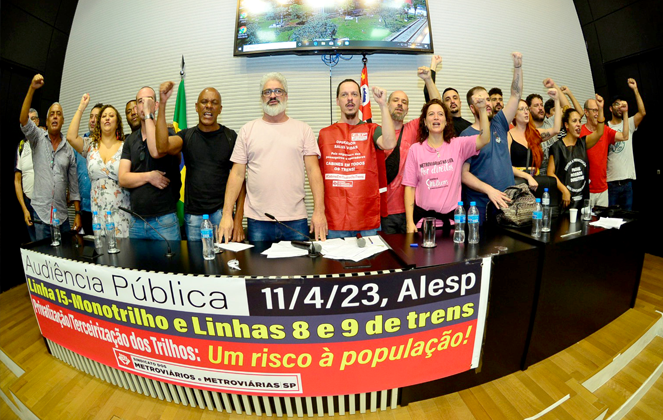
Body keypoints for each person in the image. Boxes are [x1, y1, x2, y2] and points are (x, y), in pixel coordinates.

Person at [219, 72, 326, 243]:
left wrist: (319, 211)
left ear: (286, 96)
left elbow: (314, 171)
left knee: (299, 262)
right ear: (261, 98)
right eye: (267, 92)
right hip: (258, 221)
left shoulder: (303, 129)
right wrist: (226, 214)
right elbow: (237, 175)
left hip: (296, 220)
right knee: (258, 262)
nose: (273, 95)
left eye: (278, 91)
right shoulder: (247, 130)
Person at [152, 82, 245, 241]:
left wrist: (238, 220)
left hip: (222, 215)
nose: (208, 106)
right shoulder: (186, 136)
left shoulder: (230, 137)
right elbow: (162, 147)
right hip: (193, 217)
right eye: (204, 102)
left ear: (220, 109)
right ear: (196, 107)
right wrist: (163, 104)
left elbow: (240, 181)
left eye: (214, 103)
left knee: (226, 257)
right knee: (196, 257)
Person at [318, 79, 396, 239]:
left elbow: (389, 143)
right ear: (337, 101)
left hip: (367, 220)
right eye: (344, 95)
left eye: (354, 94)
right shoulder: (324, 134)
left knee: (372, 256)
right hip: (335, 221)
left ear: (360, 100)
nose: (350, 98)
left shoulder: (372, 130)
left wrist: (383, 105)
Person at [402, 97, 490, 232]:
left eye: (440, 114)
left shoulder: (458, 145)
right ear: (425, 122)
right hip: (424, 224)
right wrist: (409, 222)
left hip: (453, 224)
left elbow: (484, 139)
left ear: (446, 121)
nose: (436, 117)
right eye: (431, 114)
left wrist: (482, 110)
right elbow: (409, 187)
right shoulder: (415, 150)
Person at [460, 52, 524, 224]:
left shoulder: (499, 123)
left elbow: (516, 95)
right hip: (481, 206)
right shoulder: (466, 135)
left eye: (487, 99)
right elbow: (464, 174)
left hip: (508, 202)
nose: (486, 103)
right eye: (480, 100)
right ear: (472, 108)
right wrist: (489, 190)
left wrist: (517, 67)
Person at [381, 58, 441, 234]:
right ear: (387, 105)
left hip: (411, 211)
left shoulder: (414, 128)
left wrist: (428, 78)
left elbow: (437, 108)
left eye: (404, 102)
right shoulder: (377, 134)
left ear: (407, 110)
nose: (400, 104)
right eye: (395, 100)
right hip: (384, 212)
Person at [19, 74, 81, 239]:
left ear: (62, 120)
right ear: (46, 121)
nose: (55, 116)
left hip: (62, 217)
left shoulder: (68, 149)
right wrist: (32, 88)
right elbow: (23, 120)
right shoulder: (37, 138)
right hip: (41, 215)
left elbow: (74, 185)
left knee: (65, 254)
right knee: (42, 254)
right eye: (52, 114)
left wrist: (77, 213)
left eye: (58, 114)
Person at [119, 87, 182, 241]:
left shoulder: (168, 134)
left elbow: (156, 151)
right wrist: (149, 177)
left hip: (164, 221)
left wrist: (148, 115)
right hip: (136, 221)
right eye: (141, 101)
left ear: (156, 105)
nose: (145, 104)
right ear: (136, 108)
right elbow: (123, 178)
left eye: (149, 100)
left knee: (171, 258)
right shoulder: (130, 140)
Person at [66, 95, 131, 237]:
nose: (107, 118)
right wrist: (81, 108)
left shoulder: (126, 146)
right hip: (97, 213)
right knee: (100, 249)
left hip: (121, 213)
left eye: (111, 116)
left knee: (123, 249)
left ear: (117, 122)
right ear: (99, 122)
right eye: (104, 116)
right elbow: (70, 137)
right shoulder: (90, 145)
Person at [547, 97, 606, 210]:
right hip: (565, 202)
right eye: (574, 121)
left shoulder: (583, 143)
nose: (578, 124)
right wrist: (564, 190)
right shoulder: (557, 147)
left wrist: (600, 109)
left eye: (579, 121)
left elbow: (599, 132)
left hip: (583, 202)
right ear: (566, 125)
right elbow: (550, 173)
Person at [582, 95, 629, 208]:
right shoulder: (580, 132)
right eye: (594, 110)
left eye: (598, 110)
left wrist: (625, 113)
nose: (597, 113)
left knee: (603, 219)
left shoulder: (605, 130)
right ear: (586, 112)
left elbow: (625, 136)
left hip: (603, 189)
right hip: (586, 189)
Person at [508, 85, 561, 184]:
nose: (526, 112)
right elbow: (506, 165)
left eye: (527, 109)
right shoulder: (508, 135)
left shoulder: (535, 133)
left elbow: (556, 129)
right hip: (518, 182)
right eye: (521, 109)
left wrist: (557, 100)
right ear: (514, 114)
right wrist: (527, 176)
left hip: (535, 181)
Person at [607, 78, 646, 210]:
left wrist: (635, 89)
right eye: (616, 104)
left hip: (627, 182)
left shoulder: (628, 123)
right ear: (611, 108)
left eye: (621, 104)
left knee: (627, 217)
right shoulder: (606, 127)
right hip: (611, 182)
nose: (620, 107)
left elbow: (642, 113)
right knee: (611, 217)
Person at [14, 108, 40, 242]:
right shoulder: (22, 146)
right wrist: (24, 209)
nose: (29, 123)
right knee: (34, 244)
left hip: (45, 203)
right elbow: (17, 181)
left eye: (33, 119)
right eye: (27, 120)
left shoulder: (47, 142)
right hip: (28, 203)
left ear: (38, 121)